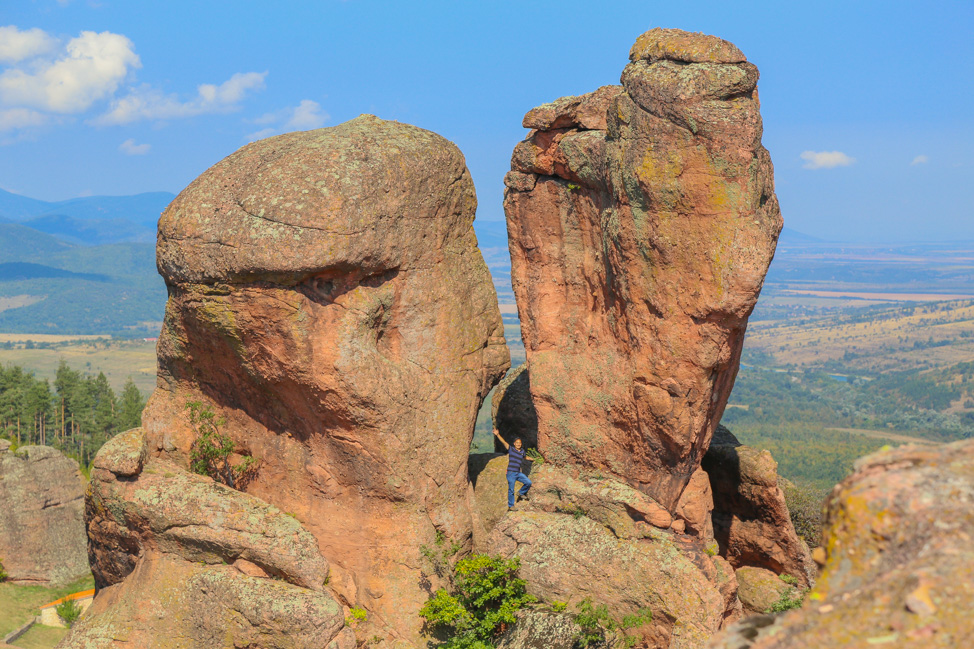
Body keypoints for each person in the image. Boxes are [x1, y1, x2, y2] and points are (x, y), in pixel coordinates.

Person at [493, 428, 531, 510]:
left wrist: (534, 459)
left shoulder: (522, 451)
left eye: (519, 443)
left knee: (528, 482)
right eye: (517, 443)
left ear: (521, 444)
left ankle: (521, 493)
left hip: (518, 473)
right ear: (514, 444)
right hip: (511, 473)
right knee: (511, 489)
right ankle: (511, 506)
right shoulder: (511, 449)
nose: (518, 444)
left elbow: (525, 457)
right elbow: (504, 442)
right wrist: (497, 434)